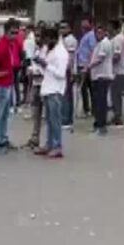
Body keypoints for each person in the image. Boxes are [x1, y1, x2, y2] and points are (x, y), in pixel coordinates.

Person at [33, 25, 68, 158]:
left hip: (55, 90)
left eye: (47, 39)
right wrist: (40, 65)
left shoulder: (61, 53)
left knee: (55, 120)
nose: (46, 42)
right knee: (49, 119)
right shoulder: (50, 50)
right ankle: (49, 144)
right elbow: (46, 70)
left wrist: (46, 65)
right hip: (47, 88)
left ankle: (57, 145)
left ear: (53, 38)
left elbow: (60, 73)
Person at [0, 19, 19, 152]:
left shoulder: (12, 44)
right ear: (6, 32)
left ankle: (3, 138)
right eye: (12, 32)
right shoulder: (2, 45)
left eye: (17, 32)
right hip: (2, 83)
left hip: (9, 81)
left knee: (6, 114)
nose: (15, 35)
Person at [88, 23, 113, 135]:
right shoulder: (99, 44)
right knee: (98, 101)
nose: (98, 34)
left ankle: (102, 126)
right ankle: (98, 123)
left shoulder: (105, 43)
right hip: (97, 76)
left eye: (100, 32)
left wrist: (89, 66)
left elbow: (100, 59)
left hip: (103, 76)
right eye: (96, 33)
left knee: (101, 102)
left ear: (104, 32)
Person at [110, 19, 124, 128]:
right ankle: (116, 115)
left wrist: (109, 63)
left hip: (118, 71)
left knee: (116, 94)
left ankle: (118, 117)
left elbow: (116, 55)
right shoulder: (121, 38)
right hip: (120, 70)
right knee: (115, 94)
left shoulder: (118, 39)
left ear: (114, 27)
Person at [76, 18, 96, 117]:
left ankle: (92, 109)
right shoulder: (84, 36)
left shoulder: (91, 35)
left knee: (90, 88)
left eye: (85, 23)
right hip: (81, 64)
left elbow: (92, 50)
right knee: (83, 89)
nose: (83, 25)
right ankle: (86, 108)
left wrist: (88, 65)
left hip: (86, 66)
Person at [60, 22, 78, 129]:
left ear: (69, 28)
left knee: (66, 96)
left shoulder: (70, 40)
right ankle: (67, 118)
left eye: (64, 28)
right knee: (66, 95)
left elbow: (70, 57)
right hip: (64, 69)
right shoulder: (63, 39)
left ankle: (66, 119)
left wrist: (70, 71)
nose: (62, 30)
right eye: (60, 28)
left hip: (67, 70)